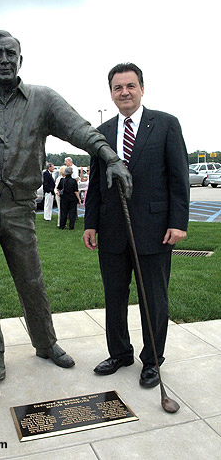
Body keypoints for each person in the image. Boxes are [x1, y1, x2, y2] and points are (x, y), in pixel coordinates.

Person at [0, 30, 132, 382]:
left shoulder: (41, 99)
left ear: (20, 59)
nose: (4, 59)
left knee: (31, 279)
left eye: (10, 53)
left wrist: (109, 157)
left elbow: (80, 129)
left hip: (19, 209)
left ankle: (45, 343)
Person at [83, 63, 189, 388]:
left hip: (155, 230)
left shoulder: (166, 124)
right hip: (112, 230)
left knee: (153, 299)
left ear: (142, 88)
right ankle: (119, 353)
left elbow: (178, 177)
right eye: (118, 87)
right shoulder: (100, 132)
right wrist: (90, 224)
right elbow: (97, 183)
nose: (124, 92)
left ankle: (152, 360)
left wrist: (178, 222)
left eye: (130, 86)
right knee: (114, 296)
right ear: (111, 93)